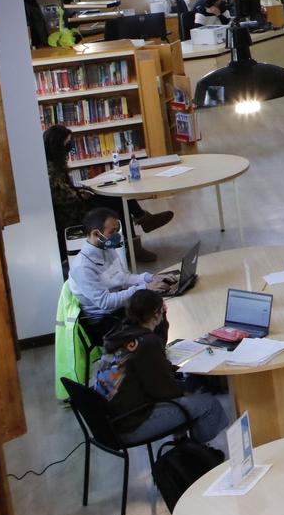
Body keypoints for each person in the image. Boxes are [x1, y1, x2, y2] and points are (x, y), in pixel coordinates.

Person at [100, 289, 230, 446]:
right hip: (132, 423)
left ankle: (183, 439)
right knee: (209, 404)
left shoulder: (124, 334)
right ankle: (198, 453)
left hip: (111, 419)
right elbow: (165, 391)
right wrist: (187, 388)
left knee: (189, 386)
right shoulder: (147, 343)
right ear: (156, 314)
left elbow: (156, 346)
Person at [46, 125, 173, 264]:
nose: (70, 148)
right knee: (117, 200)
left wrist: (79, 191)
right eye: (67, 143)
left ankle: (138, 232)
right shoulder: (50, 170)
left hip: (76, 206)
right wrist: (80, 195)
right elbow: (62, 197)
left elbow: (65, 191)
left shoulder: (54, 164)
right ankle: (140, 227)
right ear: (58, 145)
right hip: (73, 213)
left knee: (117, 197)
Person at [71, 208, 170, 346]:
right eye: (112, 232)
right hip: (104, 321)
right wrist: (143, 289)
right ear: (96, 234)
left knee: (158, 310)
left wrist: (149, 278)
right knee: (150, 323)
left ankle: (157, 355)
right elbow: (105, 303)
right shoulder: (83, 268)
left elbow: (123, 278)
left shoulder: (106, 249)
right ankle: (151, 358)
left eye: (117, 230)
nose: (117, 235)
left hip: (118, 309)